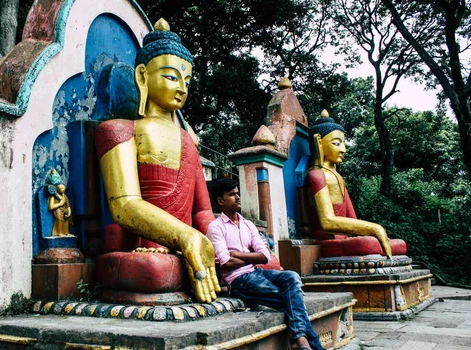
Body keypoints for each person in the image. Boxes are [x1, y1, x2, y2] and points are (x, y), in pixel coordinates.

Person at [96, 18, 220, 303]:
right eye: (171, 77)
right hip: (145, 247)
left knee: (260, 262)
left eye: (187, 81)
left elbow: (202, 212)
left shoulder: (188, 141)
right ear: (142, 77)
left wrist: (213, 244)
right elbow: (125, 207)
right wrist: (186, 239)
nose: (182, 88)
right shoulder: (119, 130)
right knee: (154, 269)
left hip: (187, 245)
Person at [207, 178, 324, 350]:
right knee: (292, 298)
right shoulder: (215, 227)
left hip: (258, 273)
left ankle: (299, 338)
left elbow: (265, 256)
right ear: (220, 201)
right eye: (232, 195)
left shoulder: (248, 225)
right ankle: (306, 342)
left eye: (238, 193)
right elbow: (226, 263)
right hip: (238, 281)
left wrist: (238, 254)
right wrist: (250, 256)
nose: (238, 197)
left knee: (292, 277)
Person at [307, 110, 396, 258]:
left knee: (397, 244)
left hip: (345, 237)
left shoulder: (338, 177)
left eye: (343, 143)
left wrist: (371, 231)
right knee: (370, 244)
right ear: (319, 142)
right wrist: (374, 228)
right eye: (337, 143)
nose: (343, 149)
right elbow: (327, 222)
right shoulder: (316, 175)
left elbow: (352, 220)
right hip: (327, 239)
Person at [46, 169, 73, 236]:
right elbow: (51, 207)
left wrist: (69, 211)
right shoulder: (53, 196)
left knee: (66, 221)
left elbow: (68, 205)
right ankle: (59, 232)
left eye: (63, 188)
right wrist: (60, 204)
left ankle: (66, 232)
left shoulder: (65, 196)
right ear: (57, 189)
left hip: (64, 211)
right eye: (61, 188)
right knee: (59, 222)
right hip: (58, 211)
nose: (63, 190)